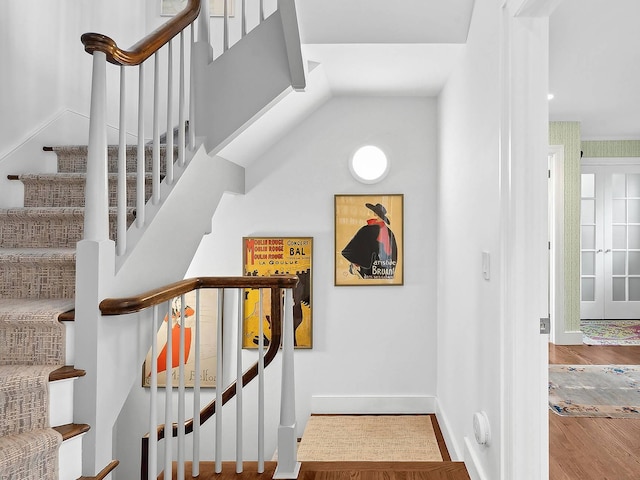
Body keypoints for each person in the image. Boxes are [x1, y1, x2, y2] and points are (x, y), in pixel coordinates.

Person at [341, 202, 398, 279]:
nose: (368, 214)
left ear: (376, 215)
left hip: (368, 271)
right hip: (384, 271)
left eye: (370, 212)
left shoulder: (367, 230)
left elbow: (351, 251)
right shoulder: (389, 232)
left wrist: (356, 264)